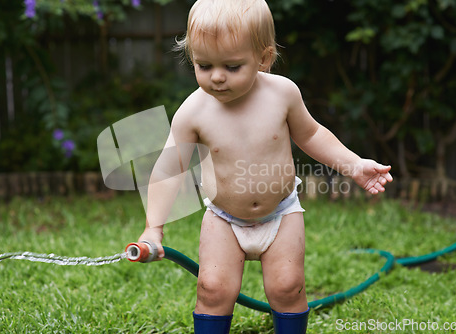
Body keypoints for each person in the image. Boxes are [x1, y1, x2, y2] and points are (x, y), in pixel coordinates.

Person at [137, 0, 393, 333]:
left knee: (287, 287)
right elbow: (169, 169)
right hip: (224, 219)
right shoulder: (193, 112)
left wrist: (354, 165)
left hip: (281, 214)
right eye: (203, 65)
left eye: (231, 66)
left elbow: (312, 135)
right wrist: (154, 226)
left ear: (263, 58)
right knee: (213, 289)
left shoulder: (282, 94)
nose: (216, 77)